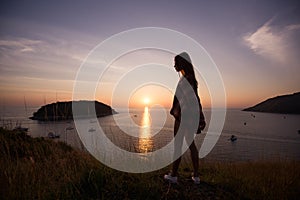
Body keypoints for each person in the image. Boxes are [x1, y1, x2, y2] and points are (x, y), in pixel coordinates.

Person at [164, 52, 205, 184]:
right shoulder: (190, 78)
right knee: (191, 145)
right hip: (188, 117)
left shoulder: (187, 79)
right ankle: (196, 176)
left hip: (183, 118)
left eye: (176, 62)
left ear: (183, 63)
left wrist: (183, 117)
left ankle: (174, 175)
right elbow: (196, 99)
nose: (174, 65)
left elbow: (190, 100)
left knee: (178, 145)